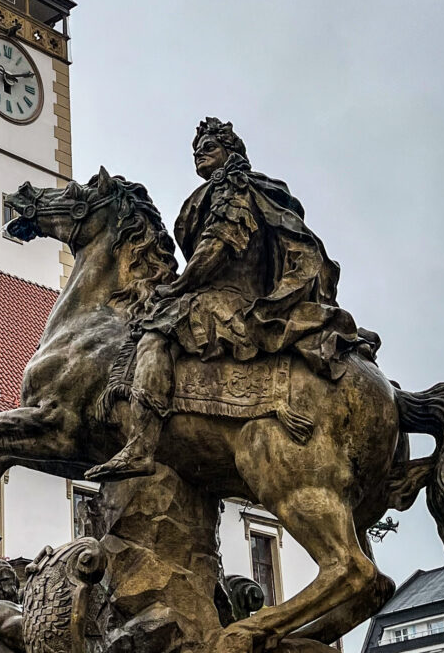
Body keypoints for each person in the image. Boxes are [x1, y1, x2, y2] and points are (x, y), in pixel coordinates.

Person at [85, 117, 379, 482]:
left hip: (226, 298)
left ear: (231, 152)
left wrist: (180, 287)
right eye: (196, 151)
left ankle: (141, 447)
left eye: (208, 148)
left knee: (155, 335)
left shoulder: (233, 187)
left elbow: (217, 247)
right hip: (215, 290)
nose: (199, 155)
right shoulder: (232, 189)